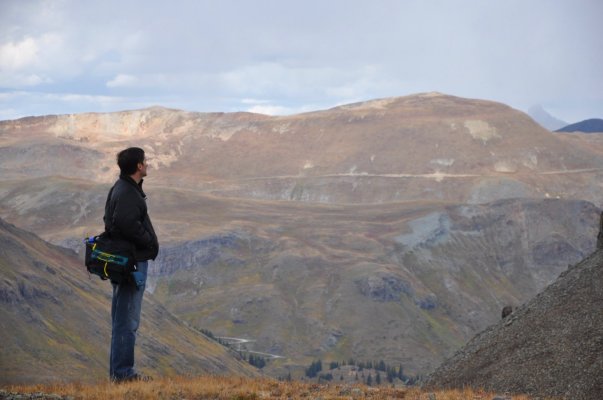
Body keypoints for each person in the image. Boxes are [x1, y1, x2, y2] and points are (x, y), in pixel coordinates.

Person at [103, 147, 159, 383]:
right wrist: (147, 241)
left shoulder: (122, 188)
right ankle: (124, 374)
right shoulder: (127, 191)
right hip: (133, 264)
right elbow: (125, 222)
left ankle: (120, 372)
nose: (147, 164)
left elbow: (110, 221)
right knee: (128, 319)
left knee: (122, 319)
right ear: (138, 165)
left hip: (127, 262)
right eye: (144, 161)